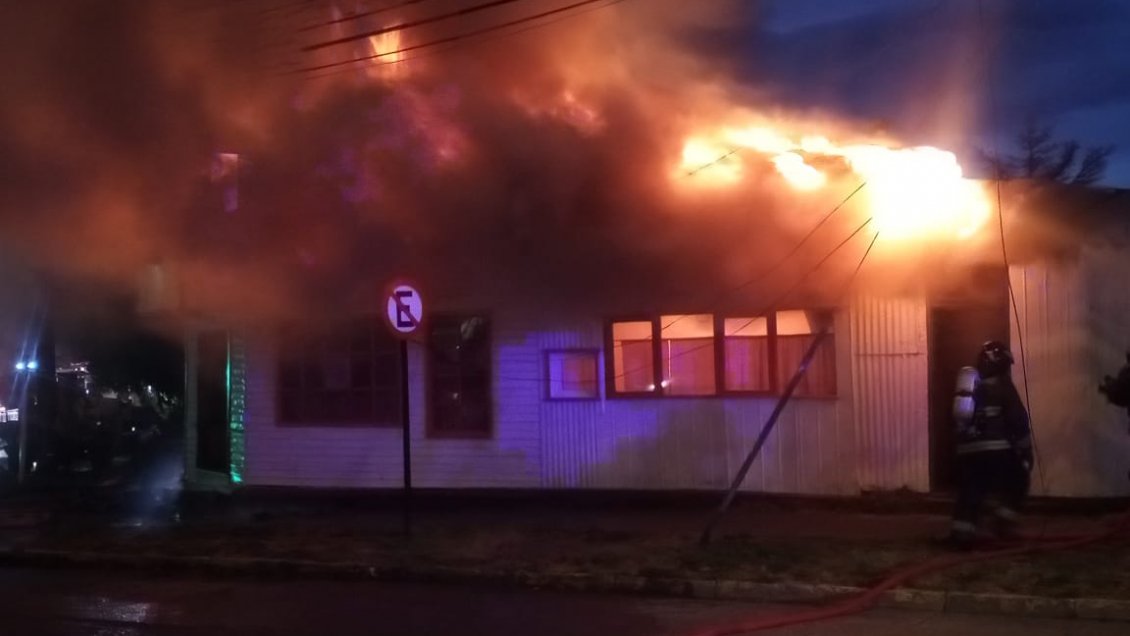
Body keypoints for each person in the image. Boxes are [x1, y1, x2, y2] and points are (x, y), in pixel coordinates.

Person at [945, 340, 1033, 549]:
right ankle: (1003, 524)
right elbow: (1018, 419)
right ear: (1001, 364)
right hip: (996, 450)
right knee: (1019, 479)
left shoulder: (970, 388)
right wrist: (1026, 451)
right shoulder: (1003, 386)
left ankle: (962, 532)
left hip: (967, 451)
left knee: (973, 488)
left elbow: (956, 421)